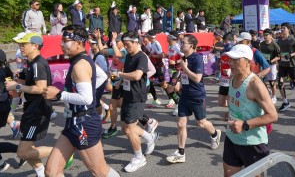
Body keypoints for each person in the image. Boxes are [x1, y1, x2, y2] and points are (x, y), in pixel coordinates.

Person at [42, 26, 120, 177]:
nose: (62, 45)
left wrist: (59, 94)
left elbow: (86, 98)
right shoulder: (84, 60)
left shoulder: (80, 65)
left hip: (83, 123)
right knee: (51, 172)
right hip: (73, 121)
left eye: (66, 41)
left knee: (100, 172)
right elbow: (103, 77)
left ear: (78, 43)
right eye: (62, 41)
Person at [223, 44, 278, 176]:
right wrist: (231, 112)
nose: (231, 62)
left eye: (236, 60)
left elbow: (273, 116)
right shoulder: (232, 77)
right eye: (230, 59)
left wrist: (245, 124)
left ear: (248, 61)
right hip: (232, 138)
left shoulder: (255, 84)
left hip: (253, 143)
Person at [166, 34, 222, 164]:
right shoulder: (184, 57)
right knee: (180, 124)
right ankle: (180, 153)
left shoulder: (197, 58)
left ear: (191, 45)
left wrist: (184, 68)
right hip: (185, 95)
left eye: (183, 42)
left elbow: (197, 78)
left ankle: (215, 134)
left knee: (201, 123)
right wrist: (176, 82)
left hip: (197, 95)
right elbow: (182, 73)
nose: (181, 44)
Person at [5, 33, 54, 177]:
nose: (21, 48)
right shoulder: (32, 62)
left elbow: (41, 88)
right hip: (31, 110)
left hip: (37, 112)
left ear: (35, 46)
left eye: (23, 44)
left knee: (23, 152)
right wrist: (19, 82)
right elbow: (32, 84)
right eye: (20, 45)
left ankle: (64, 151)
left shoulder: (38, 63)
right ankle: (41, 172)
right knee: (27, 148)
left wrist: (17, 87)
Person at [117, 31, 159, 172]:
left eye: (128, 45)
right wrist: (120, 81)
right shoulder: (129, 55)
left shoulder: (142, 57)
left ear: (136, 42)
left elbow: (136, 75)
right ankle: (149, 137)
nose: (126, 47)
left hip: (137, 97)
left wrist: (119, 74)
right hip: (128, 94)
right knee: (124, 128)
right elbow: (128, 72)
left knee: (129, 129)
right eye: (125, 45)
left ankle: (139, 157)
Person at [276, 24, 295, 111]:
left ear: (288, 30)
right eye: (281, 28)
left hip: (291, 65)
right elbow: (278, 52)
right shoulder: (279, 40)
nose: (282, 30)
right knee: (280, 83)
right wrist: (278, 61)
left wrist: (291, 55)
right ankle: (285, 102)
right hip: (282, 65)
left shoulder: (292, 40)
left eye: (284, 28)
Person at [259, 29, 281, 104]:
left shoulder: (274, 45)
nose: (265, 36)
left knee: (272, 82)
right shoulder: (261, 44)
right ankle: (268, 89)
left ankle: (274, 96)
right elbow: (260, 54)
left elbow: (279, 56)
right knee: (260, 80)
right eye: (264, 35)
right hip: (263, 65)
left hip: (272, 65)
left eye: (266, 35)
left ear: (271, 35)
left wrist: (271, 61)